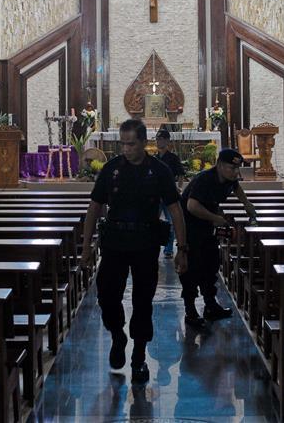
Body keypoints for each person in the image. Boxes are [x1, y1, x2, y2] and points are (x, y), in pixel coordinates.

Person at [80, 119, 188, 384]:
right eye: (123, 144)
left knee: (142, 301)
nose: (126, 149)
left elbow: (175, 209)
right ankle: (118, 334)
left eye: (131, 144)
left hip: (145, 243)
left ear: (143, 142)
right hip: (115, 242)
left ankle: (139, 355)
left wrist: (182, 249)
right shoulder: (112, 169)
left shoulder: (159, 170)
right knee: (107, 295)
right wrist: (85, 246)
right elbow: (94, 207)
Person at [179, 148, 258, 328]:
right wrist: (216, 219)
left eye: (238, 168)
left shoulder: (229, 178)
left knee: (210, 264)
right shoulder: (204, 180)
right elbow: (192, 206)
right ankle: (190, 311)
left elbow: (236, 187)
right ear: (220, 165)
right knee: (192, 268)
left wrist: (247, 204)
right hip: (190, 227)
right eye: (232, 168)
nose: (236, 172)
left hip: (207, 225)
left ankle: (211, 305)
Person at [155, 128, 185, 258]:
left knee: (171, 222)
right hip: (156, 194)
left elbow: (181, 174)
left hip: (169, 194)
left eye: (161, 139)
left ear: (167, 141)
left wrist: (179, 187)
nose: (158, 142)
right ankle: (153, 245)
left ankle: (168, 249)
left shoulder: (173, 158)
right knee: (152, 221)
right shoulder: (155, 158)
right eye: (157, 139)